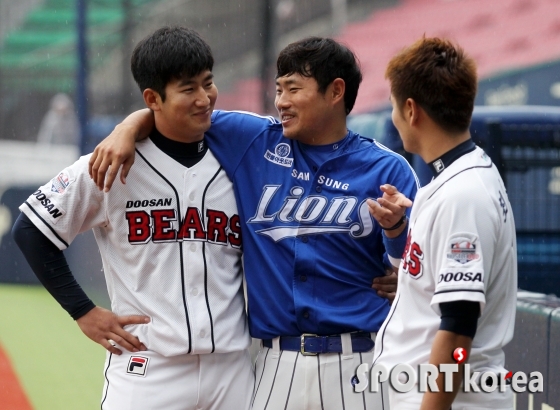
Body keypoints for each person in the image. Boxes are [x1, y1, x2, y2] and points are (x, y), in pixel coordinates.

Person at [90, 34, 419, 410]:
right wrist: (127, 128)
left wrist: (395, 234)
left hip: (360, 360)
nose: (281, 101)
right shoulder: (253, 139)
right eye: (278, 89)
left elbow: (413, 271)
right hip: (277, 365)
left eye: (293, 89)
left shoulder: (387, 169)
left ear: (336, 91)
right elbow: (177, 110)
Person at [12, 26, 254, 410]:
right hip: (148, 367)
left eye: (208, 83)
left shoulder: (240, 156)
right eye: (188, 88)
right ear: (152, 98)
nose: (204, 98)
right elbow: (30, 228)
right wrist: (83, 311)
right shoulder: (111, 163)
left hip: (233, 367)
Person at [369, 37, 517, 410]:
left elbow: (457, 329)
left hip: (450, 400)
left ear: (411, 110)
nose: (393, 117)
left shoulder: (461, 196)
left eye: (393, 106)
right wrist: (406, 223)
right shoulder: (461, 175)